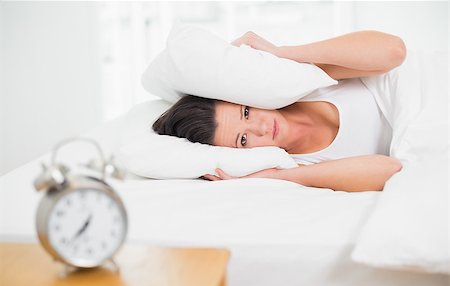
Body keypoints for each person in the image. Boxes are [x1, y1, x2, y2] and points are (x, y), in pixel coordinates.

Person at [152, 30, 407, 192]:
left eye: (247, 112)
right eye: (244, 139)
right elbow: (391, 171)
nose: (261, 128)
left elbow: (393, 51)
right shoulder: (301, 166)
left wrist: (282, 54)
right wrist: (281, 177)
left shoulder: (309, 83)